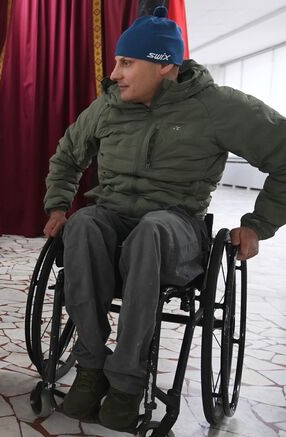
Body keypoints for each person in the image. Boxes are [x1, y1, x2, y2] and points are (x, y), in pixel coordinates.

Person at [43, 6, 286, 432]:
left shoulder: (217, 107)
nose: (115, 74)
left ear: (165, 67)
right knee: (83, 225)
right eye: (117, 62)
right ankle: (91, 366)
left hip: (176, 226)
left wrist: (257, 224)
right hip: (114, 218)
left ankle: (127, 383)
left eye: (126, 63)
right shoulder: (107, 107)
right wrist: (59, 205)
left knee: (151, 232)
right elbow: (67, 155)